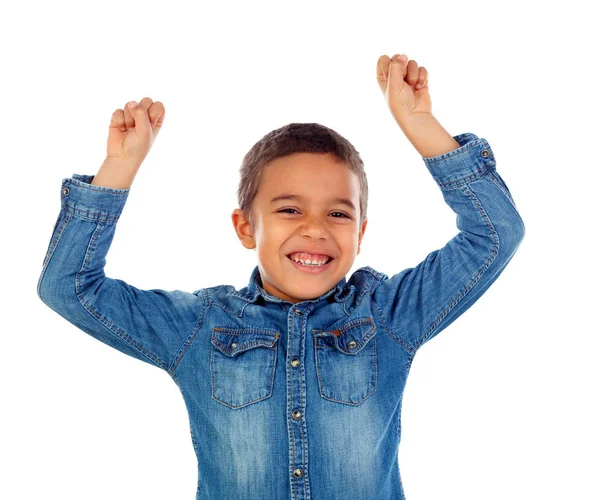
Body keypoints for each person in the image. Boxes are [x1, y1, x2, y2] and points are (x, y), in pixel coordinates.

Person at [37, 53, 525, 500]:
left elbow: (495, 233)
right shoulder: (199, 326)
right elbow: (69, 287)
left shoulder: (387, 315)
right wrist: (119, 168)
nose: (315, 229)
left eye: (338, 214)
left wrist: (421, 125)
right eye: (290, 209)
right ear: (246, 227)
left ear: (362, 232)